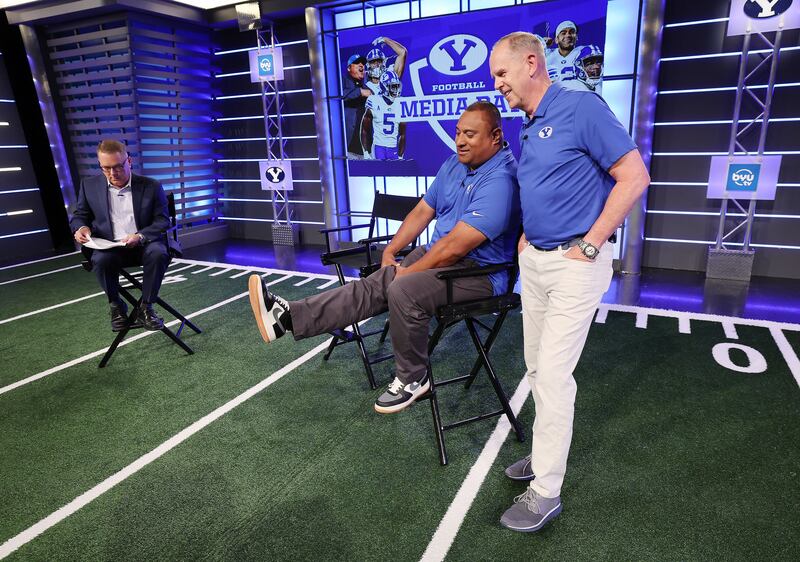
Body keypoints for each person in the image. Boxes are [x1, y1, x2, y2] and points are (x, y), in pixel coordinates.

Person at [248, 102, 520, 414]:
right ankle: (288, 318)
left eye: (470, 134)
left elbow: (456, 247)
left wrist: (410, 271)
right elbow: (422, 210)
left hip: (480, 274)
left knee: (403, 288)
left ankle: (414, 378)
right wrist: (391, 251)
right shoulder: (455, 164)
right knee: (377, 283)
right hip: (441, 258)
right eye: (458, 132)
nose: (459, 140)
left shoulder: (502, 180)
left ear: (496, 136)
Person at [489, 33, 649, 532]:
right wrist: (526, 240)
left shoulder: (582, 107)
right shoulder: (531, 121)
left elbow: (635, 176)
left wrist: (592, 243)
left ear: (532, 63)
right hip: (536, 261)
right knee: (536, 368)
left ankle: (546, 492)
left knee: (554, 376)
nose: (498, 86)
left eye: (502, 74)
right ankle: (541, 457)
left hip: (575, 264)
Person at [71, 140, 171, 332]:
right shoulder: (88, 186)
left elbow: (162, 221)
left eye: (118, 167)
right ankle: (116, 306)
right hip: (109, 246)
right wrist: (81, 228)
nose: (112, 173)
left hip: (144, 244)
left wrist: (140, 235)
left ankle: (146, 307)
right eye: (106, 168)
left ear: (129, 161)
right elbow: (80, 215)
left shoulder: (151, 186)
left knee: (159, 253)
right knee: (100, 260)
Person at [543, 20, 604, 94]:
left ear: (577, 37)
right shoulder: (546, 54)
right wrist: (541, 43)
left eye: (571, 32)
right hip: (553, 99)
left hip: (578, 98)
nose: (568, 35)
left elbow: (595, 83)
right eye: (563, 33)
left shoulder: (585, 53)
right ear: (556, 39)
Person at [361, 70, 406, 160]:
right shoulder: (374, 101)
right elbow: (365, 130)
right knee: (379, 173)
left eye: (397, 86)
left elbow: (402, 134)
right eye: (393, 87)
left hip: (393, 147)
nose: (396, 90)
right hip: (378, 147)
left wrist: (400, 156)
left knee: (394, 173)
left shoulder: (400, 103)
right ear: (384, 86)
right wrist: (366, 152)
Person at [342, 54, 371, 158]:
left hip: (364, 149)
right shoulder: (341, 81)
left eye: (363, 64)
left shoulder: (366, 87)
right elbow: (339, 95)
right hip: (348, 147)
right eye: (357, 63)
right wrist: (359, 92)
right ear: (349, 68)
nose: (361, 66)